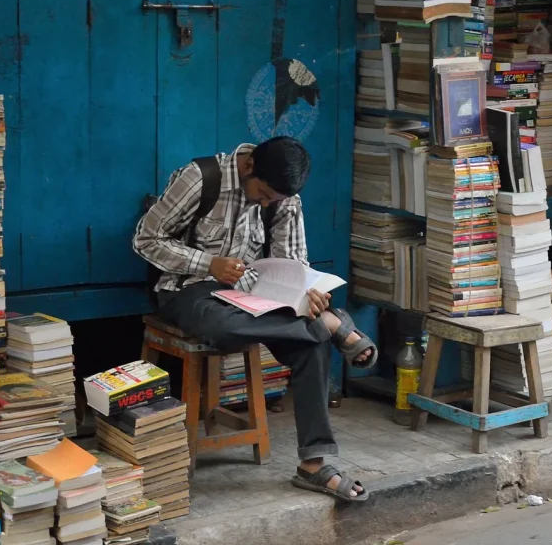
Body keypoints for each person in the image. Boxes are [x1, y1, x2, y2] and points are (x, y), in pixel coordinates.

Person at [133, 137, 376, 502]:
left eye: (272, 200)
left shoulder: (285, 198)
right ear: (248, 167)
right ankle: (329, 322)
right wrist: (208, 264)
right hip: (191, 290)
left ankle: (313, 464)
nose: (265, 204)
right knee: (221, 327)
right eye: (262, 194)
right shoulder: (200, 178)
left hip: (256, 298)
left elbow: (293, 264)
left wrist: (306, 295)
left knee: (311, 341)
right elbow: (145, 239)